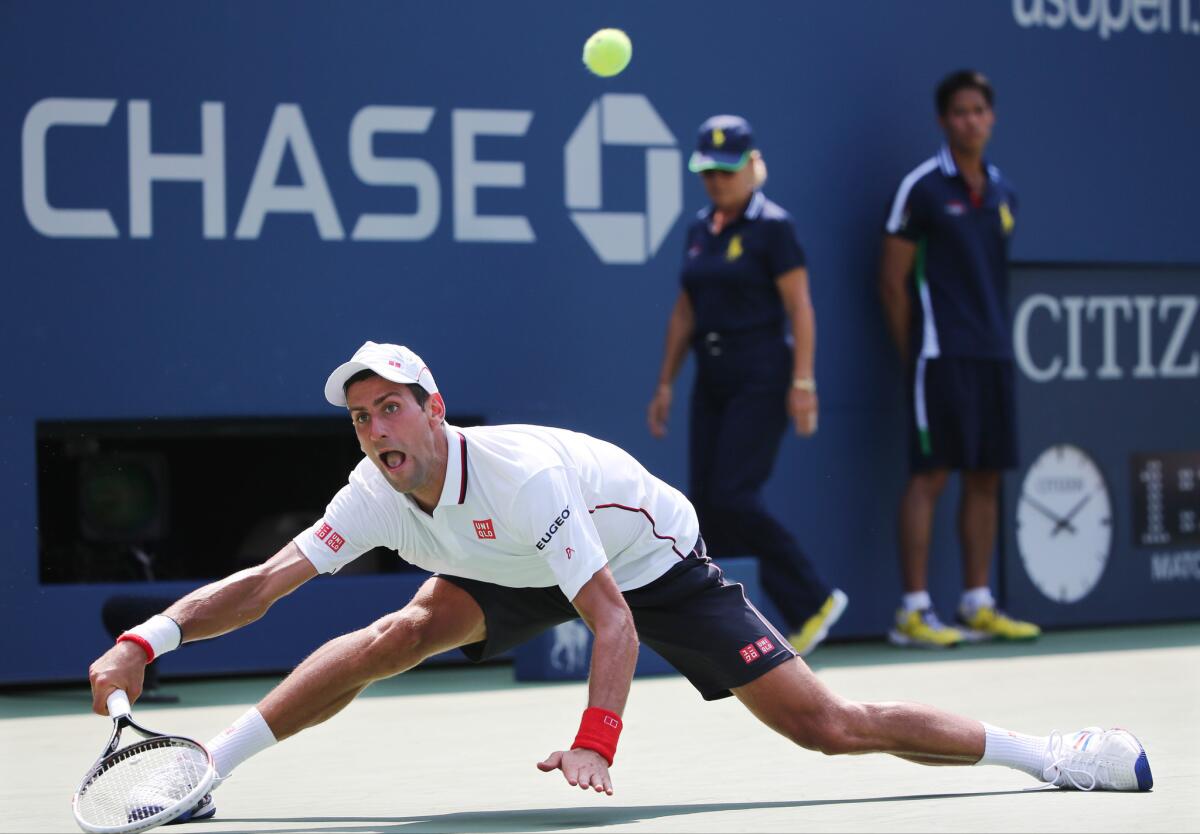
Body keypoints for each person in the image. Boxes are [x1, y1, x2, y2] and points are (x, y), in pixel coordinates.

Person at [88, 341, 1152, 823]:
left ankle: (1049, 756)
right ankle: (201, 774)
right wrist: (150, 640)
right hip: (507, 564)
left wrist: (598, 740)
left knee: (827, 723)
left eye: (390, 410)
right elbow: (267, 583)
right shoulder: (374, 488)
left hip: (646, 567)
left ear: (433, 405)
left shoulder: (522, 472)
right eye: (359, 419)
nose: (375, 433)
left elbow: (610, 618)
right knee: (391, 635)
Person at [646, 114, 847, 656]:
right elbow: (685, 313)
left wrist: (803, 381)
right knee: (707, 507)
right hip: (711, 379)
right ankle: (735, 627)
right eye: (707, 171)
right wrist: (666, 383)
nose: (716, 181)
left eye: (726, 170)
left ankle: (814, 600)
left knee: (734, 495)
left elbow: (799, 307)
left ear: (751, 167)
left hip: (761, 374)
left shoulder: (774, 228)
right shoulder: (696, 229)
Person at [879, 70, 1041, 648]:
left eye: (980, 110)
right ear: (945, 121)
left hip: (992, 354)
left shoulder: (1003, 191)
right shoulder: (921, 189)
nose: (971, 120)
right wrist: (916, 353)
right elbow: (893, 283)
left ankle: (977, 602)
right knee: (930, 476)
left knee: (986, 476)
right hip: (938, 356)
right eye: (960, 111)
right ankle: (914, 610)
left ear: (990, 118)